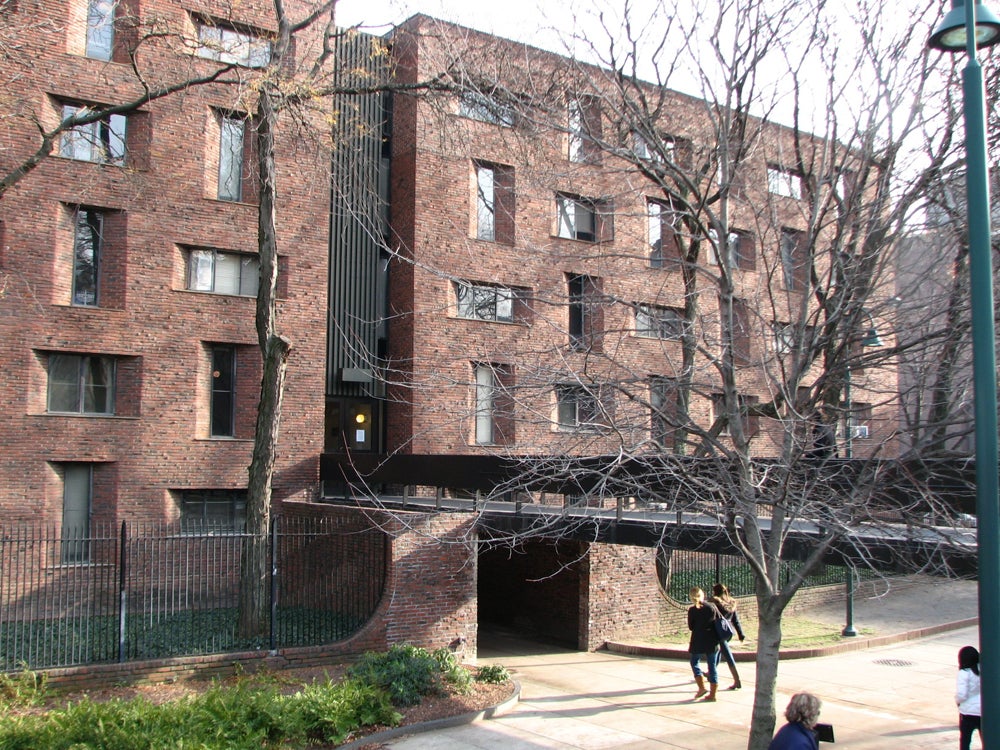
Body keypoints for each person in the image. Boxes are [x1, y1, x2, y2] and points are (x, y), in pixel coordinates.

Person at [687, 586, 721, 701]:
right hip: (712, 640)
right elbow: (718, 621)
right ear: (702, 595)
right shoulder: (711, 607)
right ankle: (713, 694)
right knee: (712, 667)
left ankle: (701, 687)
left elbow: (691, 627)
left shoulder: (692, 610)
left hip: (698, 640)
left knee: (694, 662)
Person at [711, 582, 746, 690]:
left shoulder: (716, 603)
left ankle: (737, 680)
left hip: (719, 632)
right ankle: (711, 672)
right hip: (728, 632)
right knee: (717, 651)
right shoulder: (731, 602)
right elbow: (736, 620)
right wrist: (740, 634)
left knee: (727, 655)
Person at [956, 645, 981, 750]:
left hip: (967, 712)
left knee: (965, 740)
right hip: (981, 711)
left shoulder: (964, 673)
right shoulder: (982, 669)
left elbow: (962, 695)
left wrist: (957, 701)